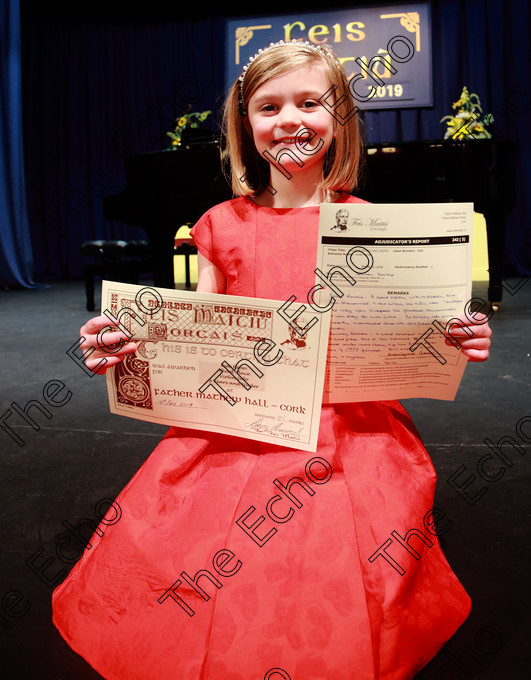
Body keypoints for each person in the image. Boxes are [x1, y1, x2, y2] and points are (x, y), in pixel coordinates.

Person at [52, 40, 492, 680]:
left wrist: (457, 338)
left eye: (311, 102)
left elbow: (405, 327)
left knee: (345, 553)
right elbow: (193, 330)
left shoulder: (367, 222)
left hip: (347, 424)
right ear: (245, 125)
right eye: (269, 106)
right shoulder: (221, 224)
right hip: (242, 414)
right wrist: (126, 348)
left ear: (338, 120)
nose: (290, 119)